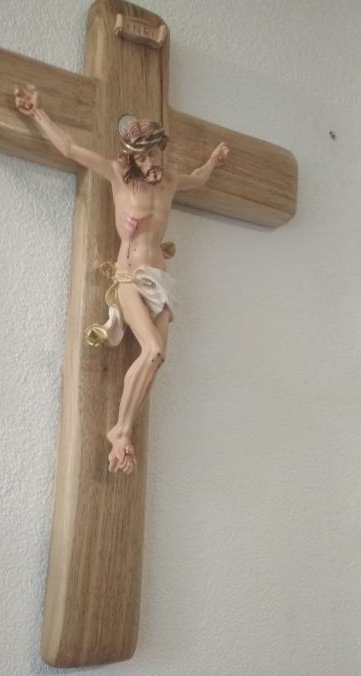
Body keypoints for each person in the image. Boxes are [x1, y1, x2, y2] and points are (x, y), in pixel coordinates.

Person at [14, 84, 229, 476]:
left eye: (154, 152)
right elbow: (70, 149)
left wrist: (214, 159)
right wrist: (37, 113)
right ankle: (120, 430)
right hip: (129, 275)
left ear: (161, 149)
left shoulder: (170, 181)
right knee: (152, 349)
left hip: (160, 278)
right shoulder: (118, 176)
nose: (149, 161)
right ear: (131, 157)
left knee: (157, 358)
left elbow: (199, 179)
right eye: (141, 156)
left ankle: (122, 429)